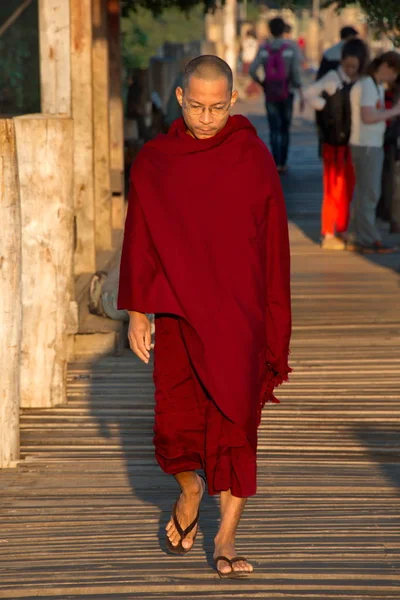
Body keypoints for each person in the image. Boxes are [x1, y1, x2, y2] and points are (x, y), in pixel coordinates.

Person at [118, 55, 291, 578]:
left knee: (237, 425)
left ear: (233, 101)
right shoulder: (156, 160)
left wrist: (273, 321)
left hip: (239, 315)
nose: (207, 116)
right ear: (178, 98)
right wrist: (136, 311)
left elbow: (274, 245)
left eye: (218, 106)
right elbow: (140, 237)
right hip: (176, 313)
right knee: (176, 425)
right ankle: (191, 489)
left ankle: (226, 538)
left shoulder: (251, 157)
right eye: (197, 105)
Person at [304, 39, 368, 250]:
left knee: (349, 189)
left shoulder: (363, 80)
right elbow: (308, 94)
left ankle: (343, 229)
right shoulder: (332, 78)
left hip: (355, 143)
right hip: (334, 145)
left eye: (354, 66)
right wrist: (324, 105)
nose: (350, 70)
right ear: (341, 61)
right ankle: (328, 232)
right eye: (347, 65)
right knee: (332, 188)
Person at [347, 51, 400, 253]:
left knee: (364, 193)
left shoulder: (373, 85)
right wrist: (395, 111)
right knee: (369, 193)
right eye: (394, 72)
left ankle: (359, 235)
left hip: (369, 144)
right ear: (385, 67)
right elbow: (368, 117)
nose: (394, 78)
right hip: (366, 145)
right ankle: (368, 239)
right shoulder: (368, 85)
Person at [249, 17, 304, 173]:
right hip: (288, 92)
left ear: (270, 29)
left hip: (270, 93)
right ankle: (283, 163)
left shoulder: (264, 48)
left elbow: (252, 70)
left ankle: (275, 161)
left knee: (274, 128)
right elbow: (295, 72)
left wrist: (262, 84)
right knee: (285, 128)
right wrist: (298, 88)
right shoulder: (291, 47)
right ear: (284, 30)